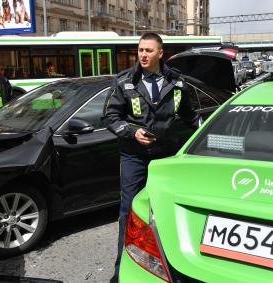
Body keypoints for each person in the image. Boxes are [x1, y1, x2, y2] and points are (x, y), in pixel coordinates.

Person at [103, 32, 199, 282]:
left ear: (160, 53)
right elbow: (110, 118)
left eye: (148, 50)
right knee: (129, 212)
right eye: (140, 50)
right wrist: (133, 132)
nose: (143, 55)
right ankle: (120, 271)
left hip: (165, 158)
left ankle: (168, 267)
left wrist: (210, 133)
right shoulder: (124, 81)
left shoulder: (177, 82)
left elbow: (192, 118)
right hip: (134, 157)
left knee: (164, 212)